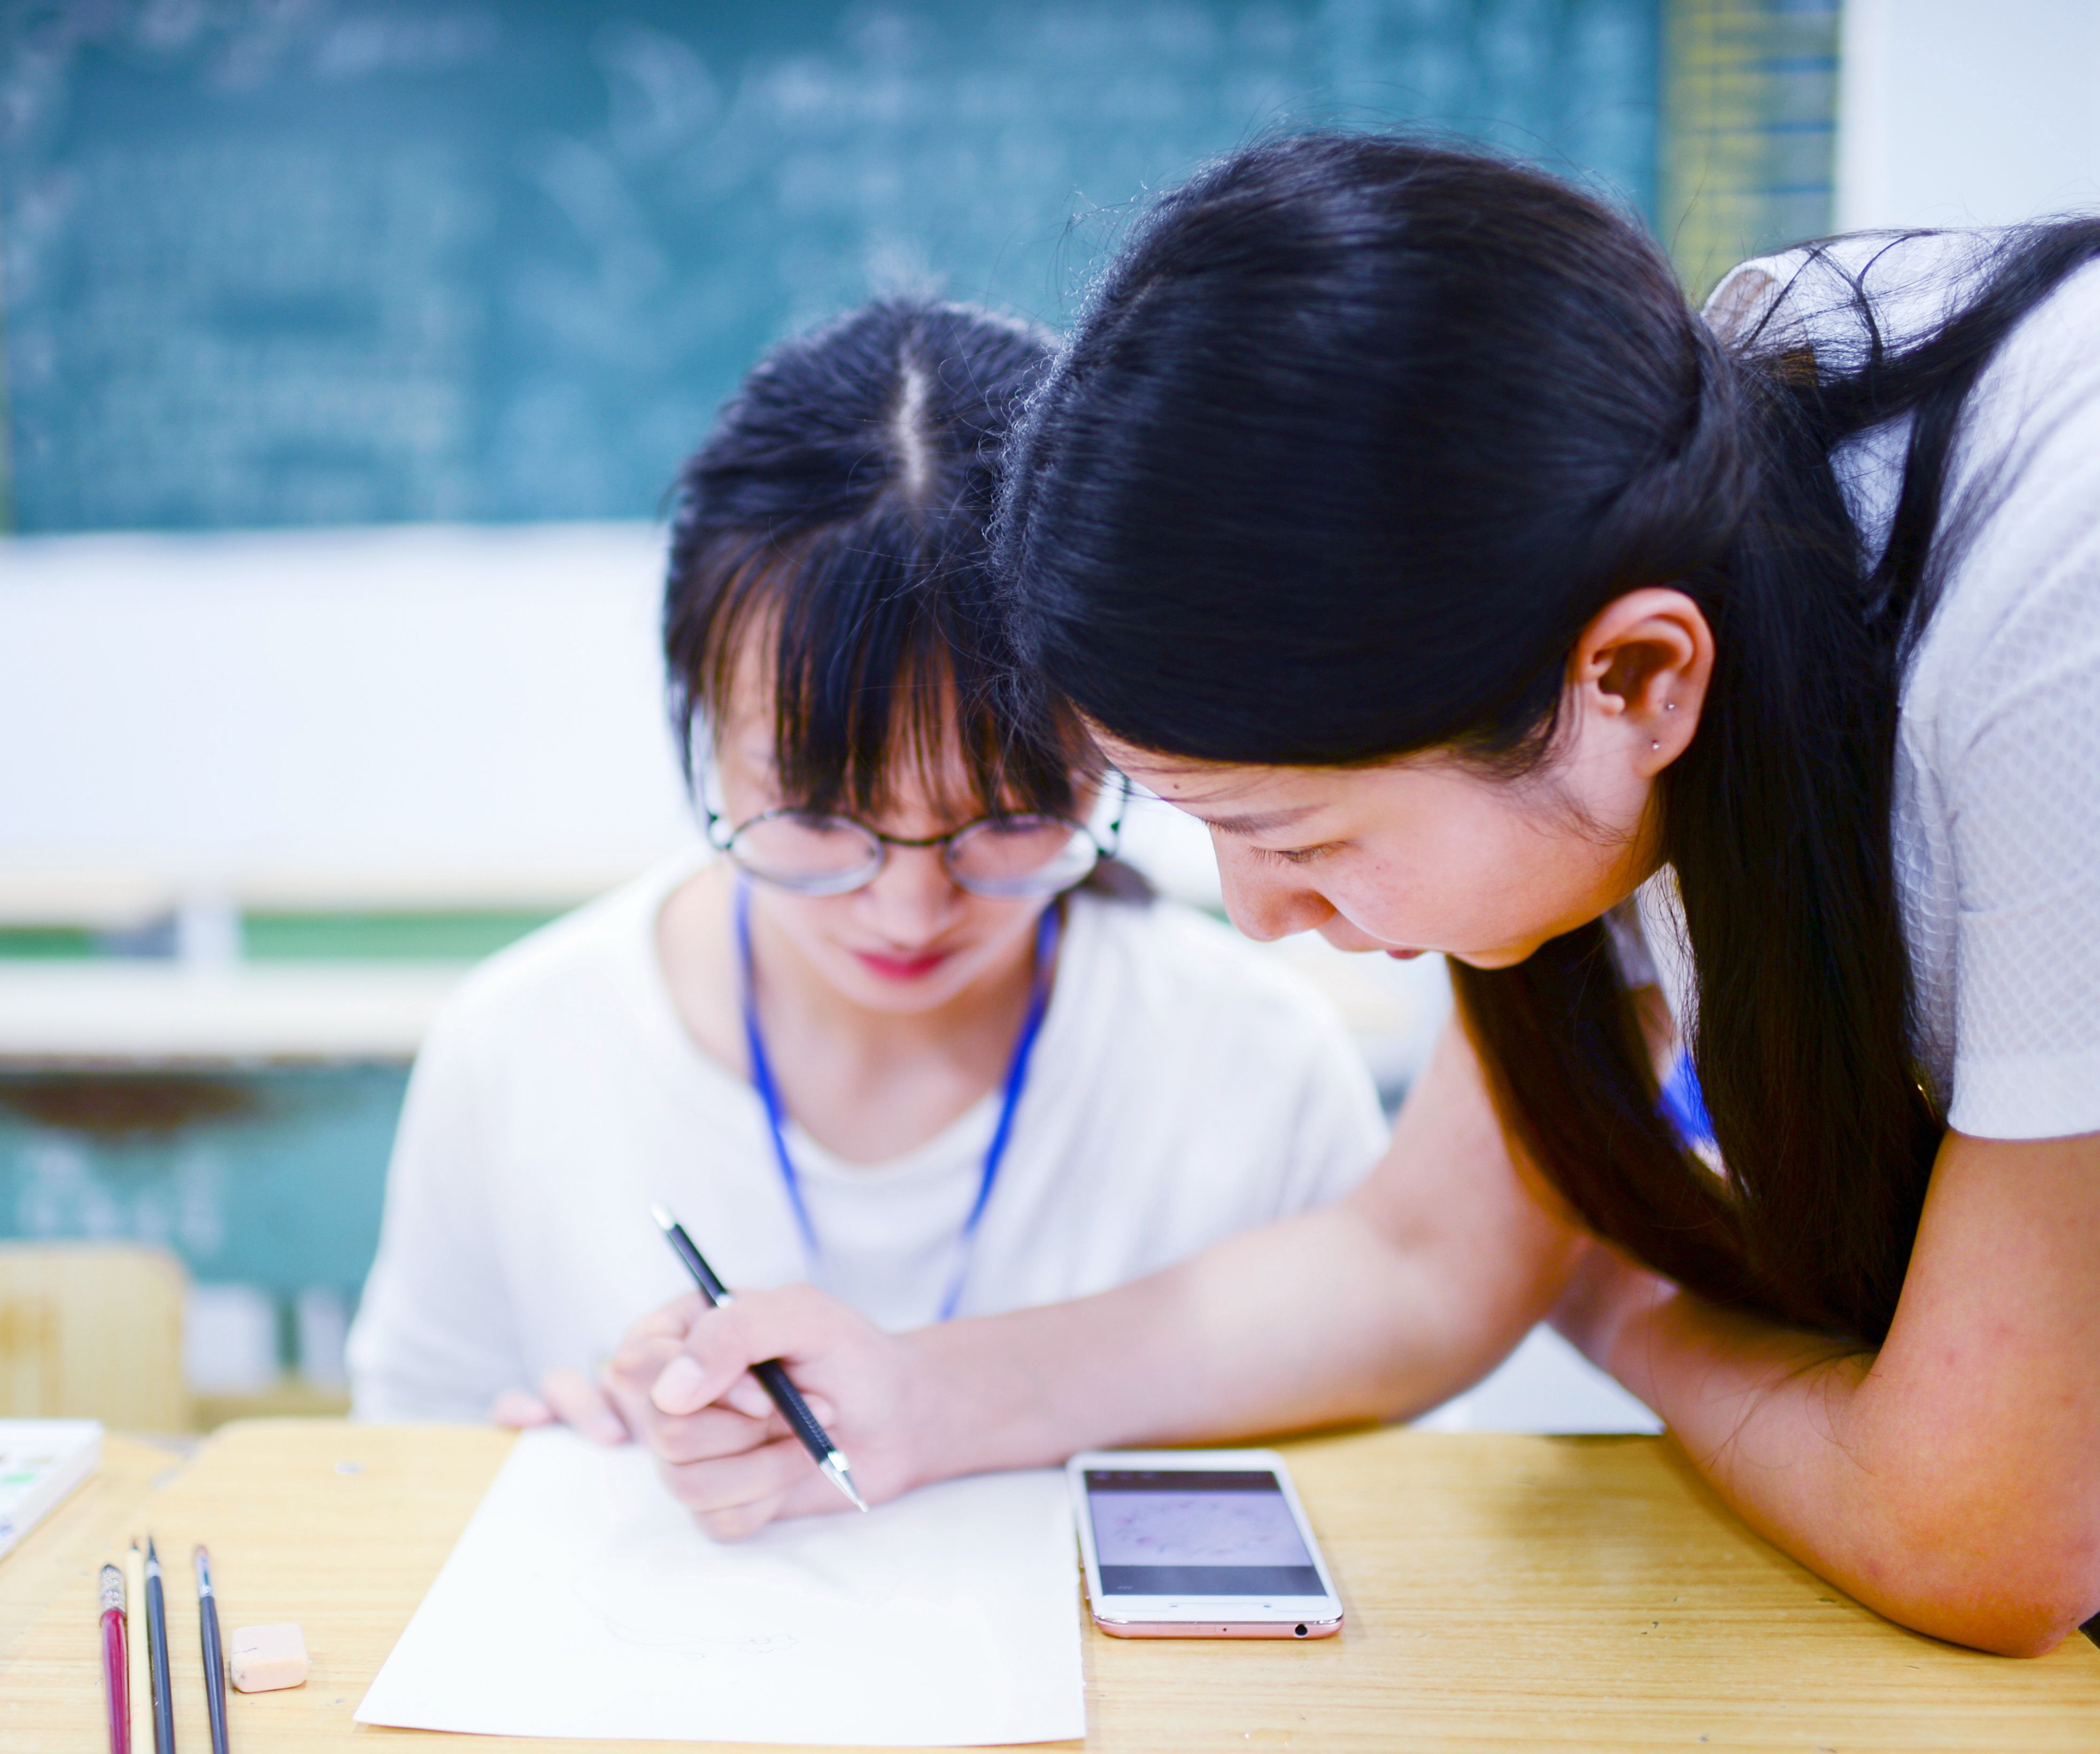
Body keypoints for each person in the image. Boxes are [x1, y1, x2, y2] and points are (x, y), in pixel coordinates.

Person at [614, 141, 2100, 1656]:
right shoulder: (1634, 497)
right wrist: (915, 1397)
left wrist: (1625, 1308)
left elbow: (1978, 1529)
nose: (1258, 915)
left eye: (1304, 840)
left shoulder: (2056, 609)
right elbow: (1426, 1259)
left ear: (1637, 680)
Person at [344, 296, 1386, 1434]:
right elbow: (412, 1460)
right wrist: (544, 1480)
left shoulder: (1259, 1069)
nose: (905, 907)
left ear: (1114, 750)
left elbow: (1372, 1507)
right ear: (702, 721)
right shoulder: (520, 1050)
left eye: (1009, 815)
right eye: (822, 812)